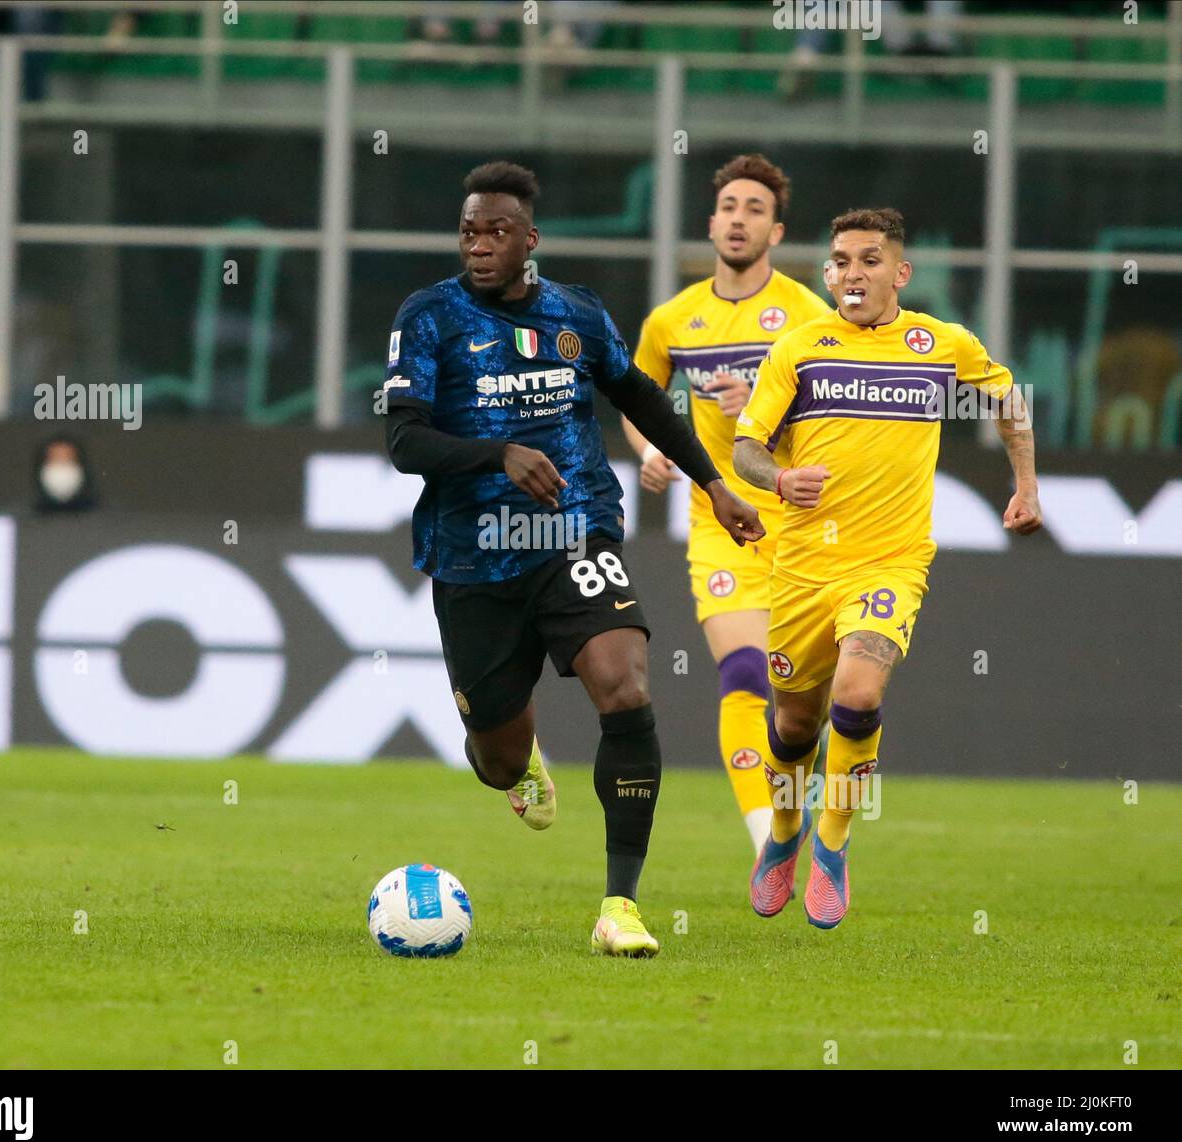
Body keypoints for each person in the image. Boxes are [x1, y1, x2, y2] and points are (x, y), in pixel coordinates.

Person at [384, 161, 764, 957]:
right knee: (496, 756)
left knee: (624, 687)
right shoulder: (429, 318)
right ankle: (521, 768)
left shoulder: (577, 315)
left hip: (575, 534)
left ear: (530, 239)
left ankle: (619, 906)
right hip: (473, 557)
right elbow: (403, 441)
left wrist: (713, 483)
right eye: (468, 232)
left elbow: (644, 399)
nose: (479, 247)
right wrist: (499, 454)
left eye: (496, 233)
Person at [732, 207, 1042, 928]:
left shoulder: (940, 345)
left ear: (900, 273)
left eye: (869, 260)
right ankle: (784, 834)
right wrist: (777, 479)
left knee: (860, 690)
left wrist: (1026, 485)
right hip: (803, 567)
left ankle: (833, 845)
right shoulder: (800, 348)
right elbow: (746, 445)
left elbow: (1009, 400)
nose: (851, 273)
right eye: (840, 260)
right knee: (793, 722)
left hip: (891, 562)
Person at [622, 153, 830, 861]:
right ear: (711, 223)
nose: (739, 219)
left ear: (776, 233)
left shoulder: (809, 315)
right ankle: (768, 839)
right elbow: (638, 398)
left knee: (800, 697)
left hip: (799, 520)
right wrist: (649, 452)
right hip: (722, 523)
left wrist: (770, 412)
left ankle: (813, 794)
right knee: (743, 676)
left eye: (755, 210)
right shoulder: (674, 320)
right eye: (730, 207)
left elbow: (840, 414)